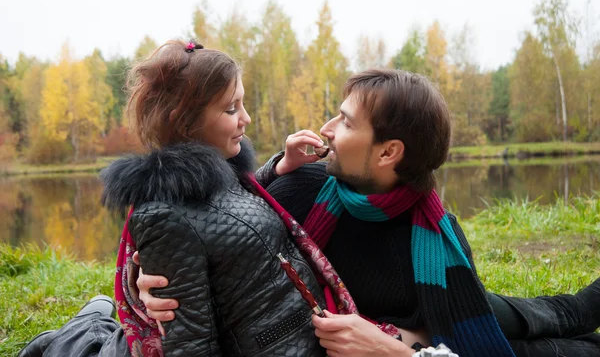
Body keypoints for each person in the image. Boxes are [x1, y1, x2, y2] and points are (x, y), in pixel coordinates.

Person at [138, 69, 600, 357]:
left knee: (550, 316)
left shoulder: (434, 240)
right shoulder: (305, 186)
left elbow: (450, 334)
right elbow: (218, 225)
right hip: (384, 329)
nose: (327, 129)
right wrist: (148, 282)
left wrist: (399, 346)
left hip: (435, 315)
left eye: (346, 121)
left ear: (388, 153)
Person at [19, 40, 339, 357]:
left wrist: (281, 167)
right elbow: (188, 343)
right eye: (231, 109)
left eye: (242, 104)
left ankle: (94, 315)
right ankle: (75, 330)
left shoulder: (225, 176)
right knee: (87, 343)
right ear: (185, 121)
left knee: (101, 327)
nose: (246, 118)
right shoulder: (166, 213)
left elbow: (238, 208)